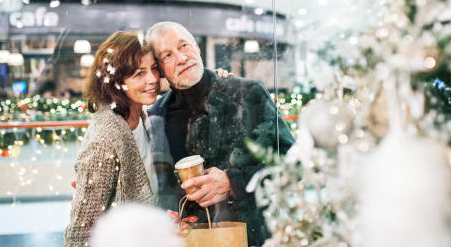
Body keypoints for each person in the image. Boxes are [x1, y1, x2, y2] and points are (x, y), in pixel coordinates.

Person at [65, 31, 232, 247]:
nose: (153, 79)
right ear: (116, 81)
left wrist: (215, 80)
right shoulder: (105, 136)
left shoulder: (146, 115)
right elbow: (80, 233)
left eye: (154, 68)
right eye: (138, 74)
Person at [145, 22, 295, 247]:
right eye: (167, 55)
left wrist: (231, 183)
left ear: (196, 46)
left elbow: (292, 162)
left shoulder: (247, 93)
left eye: (183, 45)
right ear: (159, 70)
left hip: (248, 237)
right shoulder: (153, 116)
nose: (181, 58)